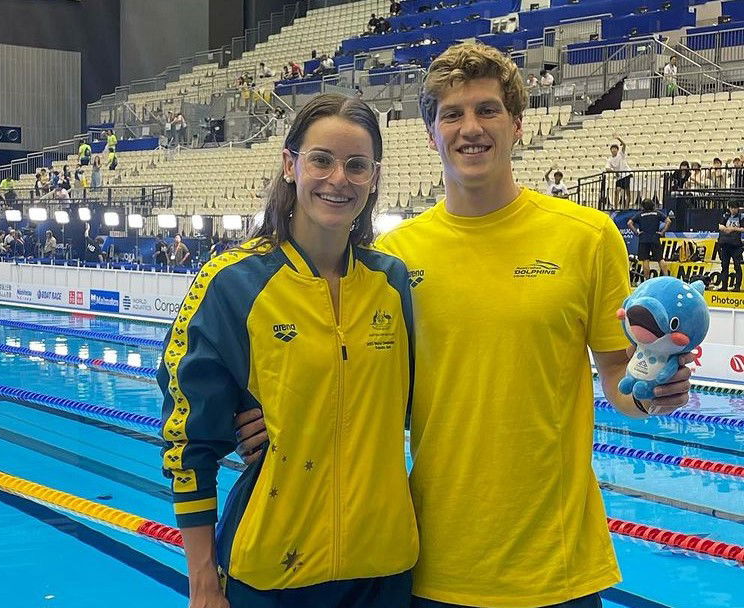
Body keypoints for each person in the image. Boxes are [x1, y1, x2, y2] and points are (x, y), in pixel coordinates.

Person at [236, 42, 692, 608]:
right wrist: (272, 419)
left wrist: (653, 391)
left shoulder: (587, 237)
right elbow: (348, 374)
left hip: (557, 568)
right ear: (431, 134)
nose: (470, 128)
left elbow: (620, 378)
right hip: (434, 566)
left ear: (517, 124)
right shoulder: (392, 259)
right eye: (452, 114)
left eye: (487, 110)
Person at [161, 93, 416, 608]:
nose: (338, 179)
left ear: (373, 177)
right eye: (321, 160)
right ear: (289, 164)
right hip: (270, 573)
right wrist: (202, 581)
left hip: (383, 568)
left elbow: (409, 403)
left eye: (356, 165)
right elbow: (189, 440)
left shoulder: (391, 281)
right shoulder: (232, 282)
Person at [628, 198, 671, 281]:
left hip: (643, 239)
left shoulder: (640, 214)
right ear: (652, 205)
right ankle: (667, 278)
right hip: (655, 238)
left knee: (645, 260)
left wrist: (636, 232)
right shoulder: (657, 213)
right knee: (660, 259)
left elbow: (629, 223)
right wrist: (662, 232)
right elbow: (668, 221)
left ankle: (646, 280)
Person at [718, 202, 744, 291]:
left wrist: (733, 229)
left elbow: (743, 228)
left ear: (738, 208)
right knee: (724, 266)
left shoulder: (741, 217)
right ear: (729, 208)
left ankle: (737, 286)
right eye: (731, 208)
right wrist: (725, 229)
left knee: (737, 266)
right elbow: (720, 225)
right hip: (725, 245)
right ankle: (724, 286)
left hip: (736, 246)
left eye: (735, 208)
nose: (733, 210)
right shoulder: (725, 216)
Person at [606, 135, 632, 207]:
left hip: (626, 175)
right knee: (616, 191)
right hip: (619, 177)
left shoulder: (621, 154)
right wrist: (614, 172)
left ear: (617, 150)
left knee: (627, 192)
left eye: (615, 149)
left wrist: (618, 138)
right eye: (612, 149)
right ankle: (616, 208)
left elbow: (624, 145)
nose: (614, 150)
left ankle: (626, 208)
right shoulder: (610, 159)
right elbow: (607, 168)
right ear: (611, 150)